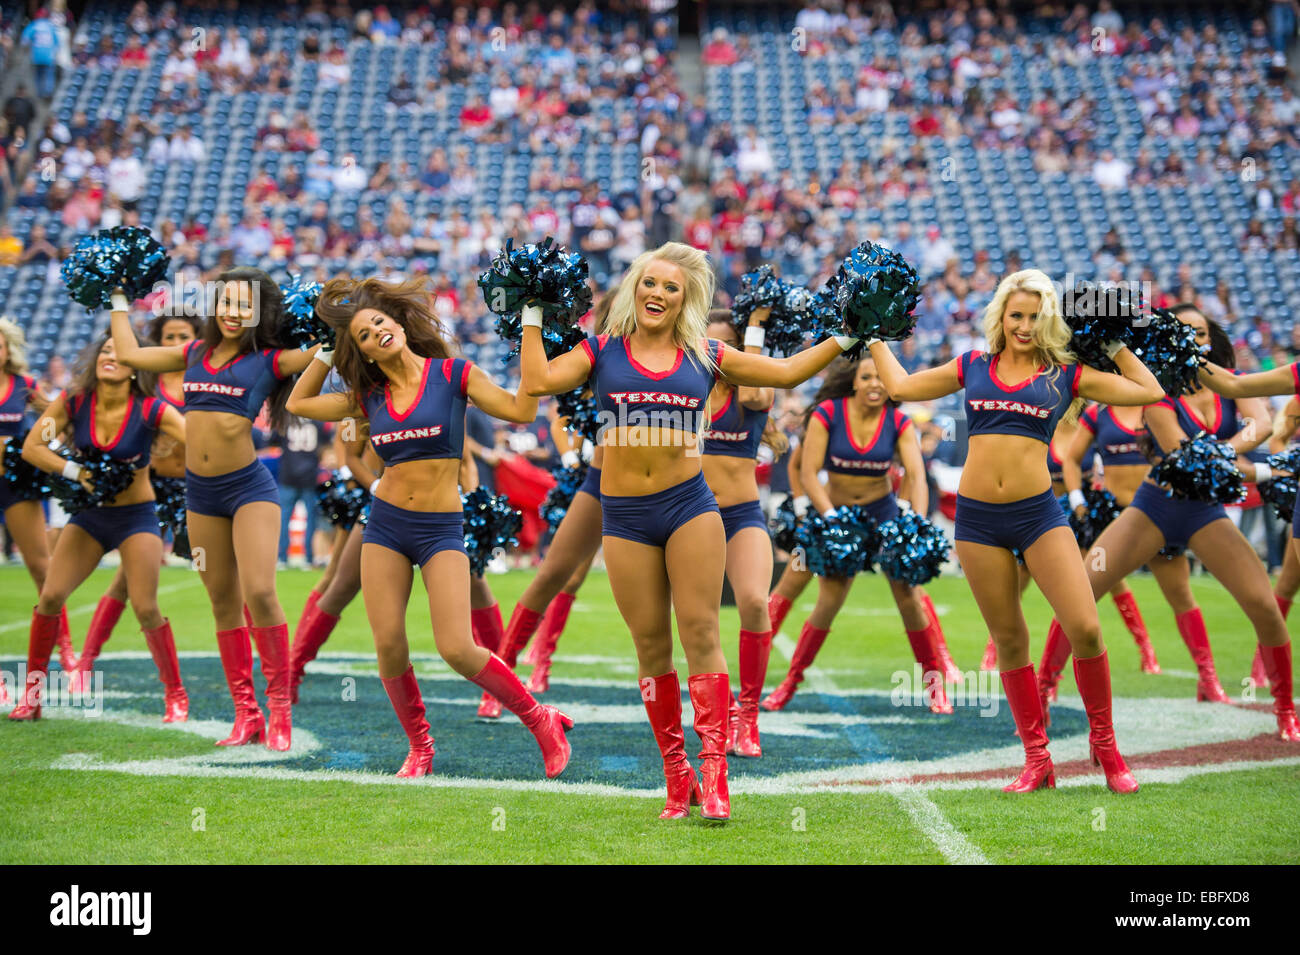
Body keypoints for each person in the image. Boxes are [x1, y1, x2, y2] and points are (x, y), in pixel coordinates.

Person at [519, 241, 863, 821]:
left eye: (672, 288)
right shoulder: (599, 350)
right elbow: (534, 383)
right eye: (650, 283)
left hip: (689, 507)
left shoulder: (705, 354)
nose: (658, 293)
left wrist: (852, 333)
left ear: (687, 301)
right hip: (624, 516)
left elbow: (786, 370)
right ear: (634, 289)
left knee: (700, 633)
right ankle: (677, 779)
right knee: (651, 646)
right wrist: (530, 311)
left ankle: (715, 775)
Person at [869, 269, 1164, 793]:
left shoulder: (1065, 374)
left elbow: (1148, 389)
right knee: (1009, 639)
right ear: (1000, 317)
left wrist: (1115, 342)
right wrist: (870, 333)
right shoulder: (973, 366)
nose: (1025, 326)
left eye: (1035, 316)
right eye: (1016, 315)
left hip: (1038, 516)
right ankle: (1036, 758)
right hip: (977, 521)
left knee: (1086, 628)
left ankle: (1107, 747)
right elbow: (899, 386)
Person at [285, 275, 573, 778]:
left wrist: (531, 324)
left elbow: (523, 410)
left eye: (379, 322)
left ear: (398, 322)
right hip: (386, 526)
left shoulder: (454, 374)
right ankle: (420, 747)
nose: (377, 333)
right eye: (365, 336)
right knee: (389, 643)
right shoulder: (368, 395)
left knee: (456, 646)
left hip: (441, 526)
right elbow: (298, 404)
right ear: (364, 353)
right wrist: (330, 349)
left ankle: (540, 719)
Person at [111, 269, 321, 751]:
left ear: (258, 313)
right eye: (226, 302)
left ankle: (280, 711)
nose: (233, 312)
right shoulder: (193, 354)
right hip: (200, 497)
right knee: (222, 602)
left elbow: (328, 347)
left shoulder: (269, 360)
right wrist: (119, 296)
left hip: (249, 490)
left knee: (261, 593)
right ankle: (246, 715)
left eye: (244, 305)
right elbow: (128, 354)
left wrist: (329, 324)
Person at [1049, 313, 1271, 716]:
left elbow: (1255, 420)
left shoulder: (1187, 390)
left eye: (1202, 332)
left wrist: (1250, 461)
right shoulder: (1107, 410)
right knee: (1084, 591)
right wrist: (1080, 500)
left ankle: (1206, 678)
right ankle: (1048, 682)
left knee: (1181, 593)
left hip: (1178, 509)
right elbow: (1072, 458)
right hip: (1119, 511)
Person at [764, 352, 956, 716]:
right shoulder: (827, 414)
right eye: (867, 377)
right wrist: (828, 517)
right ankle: (789, 683)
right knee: (828, 601)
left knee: (909, 600)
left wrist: (910, 521)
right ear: (854, 380)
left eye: (882, 378)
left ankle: (936, 687)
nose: (875, 384)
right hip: (833, 515)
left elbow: (915, 475)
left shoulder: (899, 422)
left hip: (882, 518)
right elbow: (806, 473)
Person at [12, 335, 187, 721]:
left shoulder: (151, 409)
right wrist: (74, 470)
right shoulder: (75, 403)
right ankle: (34, 696)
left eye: (119, 352)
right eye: (104, 351)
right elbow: (32, 447)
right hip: (90, 516)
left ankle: (175, 694)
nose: (111, 356)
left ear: (136, 363)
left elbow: (199, 441)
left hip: (137, 518)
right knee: (51, 597)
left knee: (145, 607)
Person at [69, 310, 199, 689]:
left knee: (220, 576)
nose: (177, 345)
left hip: (195, 489)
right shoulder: (146, 380)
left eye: (184, 337)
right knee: (126, 582)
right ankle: (86, 660)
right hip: (149, 489)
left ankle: (267, 668)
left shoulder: (203, 380)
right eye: (170, 337)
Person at [700, 307, 784, 756]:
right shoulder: (686, 386)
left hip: (742, 514)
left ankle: (747, 716)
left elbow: (753, 390)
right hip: (692, 517)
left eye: (725, 345)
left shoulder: (755, 392)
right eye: (709, 344)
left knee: (754, 601)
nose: (717, 354)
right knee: (703, 621)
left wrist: (754, 328)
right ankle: (722, 715)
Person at [0, 318, 73, 689]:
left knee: (41, 567)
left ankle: (65, 647)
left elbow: (56, 415)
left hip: (16, 485)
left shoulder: (24, 385)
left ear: (8, 349)